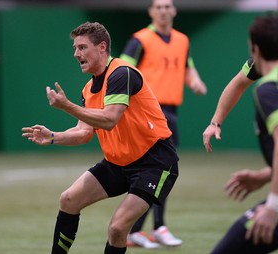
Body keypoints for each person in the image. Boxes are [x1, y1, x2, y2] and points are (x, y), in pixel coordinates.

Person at [22, 21, 179, 254]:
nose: (76, 54)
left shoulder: (121, 73)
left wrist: (67, 106)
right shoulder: (88, 89)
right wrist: (53, 136)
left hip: (153, 162)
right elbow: (84, 133)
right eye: (75, 48)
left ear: (102, 47)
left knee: (117, 229)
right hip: (118, 163)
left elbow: (109, 119)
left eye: (82, 47)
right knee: (68, 200)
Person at [119, 0, 207, 248]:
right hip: (147, 110)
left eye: (168, 6)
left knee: (162, 171)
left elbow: (187, 68)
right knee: (158, 171)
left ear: (175, 10)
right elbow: (122, 69)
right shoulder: (141, 39)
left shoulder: (182, 40)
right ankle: (147, 228)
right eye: (158, 7)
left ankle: (144, 229)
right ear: (150, 11)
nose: (164, 10)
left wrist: (195, 81)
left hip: (170, 111)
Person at [203, 14, 278, 254]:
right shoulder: (262, 75)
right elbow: (237, 84)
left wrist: (273, 207)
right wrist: (266, 175)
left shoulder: (269, 89)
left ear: (255, 48)